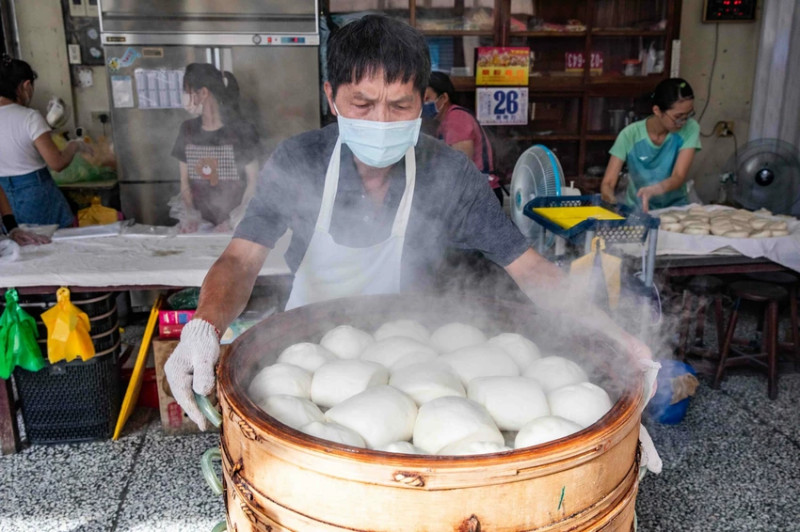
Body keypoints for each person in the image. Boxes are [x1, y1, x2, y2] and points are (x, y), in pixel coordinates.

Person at [165, 15, 654, 431]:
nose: (381, 122)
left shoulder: (448, 174)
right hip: (304, 344)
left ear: (425, 102)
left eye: (399, 106)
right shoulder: (300, 160)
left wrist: (618, 340)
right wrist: (204, 325)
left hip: (408, 353)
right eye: (362, 104)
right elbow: (240, 260)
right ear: (331, 97)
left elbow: (531, 270)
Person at [0, 55, 90, 228]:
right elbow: (57, 163)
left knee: (19, 241)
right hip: (34, 195)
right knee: (55, 238)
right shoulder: (30, 117)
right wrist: (75, 145)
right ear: (26, 86)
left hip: (3, 199)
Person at [171, 63, 260, 232]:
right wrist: (190, 216)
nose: (185, 98)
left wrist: (234, 221)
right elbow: (184, 181)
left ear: (204, 93)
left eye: (188, 92)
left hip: (236, 227)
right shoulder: (187, 129)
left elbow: (254, 182)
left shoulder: (242, 131)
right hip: (200, 227)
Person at [600, 78, 701, 212]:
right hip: (637, 209)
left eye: (689, 114)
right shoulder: (630, 135)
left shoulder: (690, 128)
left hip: (675, 208)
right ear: (657, 110)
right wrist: (610, 201)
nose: (683, 121)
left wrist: (654, 190)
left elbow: (678, 176)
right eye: (678, 117)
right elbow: (608, 182)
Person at [423, 71, 503, 204]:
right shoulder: (443, 121)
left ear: (444, 98)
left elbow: (460, 165)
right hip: (471, 192)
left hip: (481, 196)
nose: (423, 105)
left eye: (427, 99)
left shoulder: (457, 119)